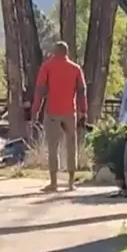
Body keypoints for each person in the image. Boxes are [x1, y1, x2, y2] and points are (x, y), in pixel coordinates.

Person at [30, 41, 88, 193]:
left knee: (53, 147)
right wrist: (84, 111)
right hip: (70, 112)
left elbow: (40, 89)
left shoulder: (47, 66)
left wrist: (35, 110)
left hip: (53, 112)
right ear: (67, 53)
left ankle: (54, 182)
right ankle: (70, 183)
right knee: (71, 146)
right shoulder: (75, 68)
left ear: (54, 52)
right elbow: (82, 91)